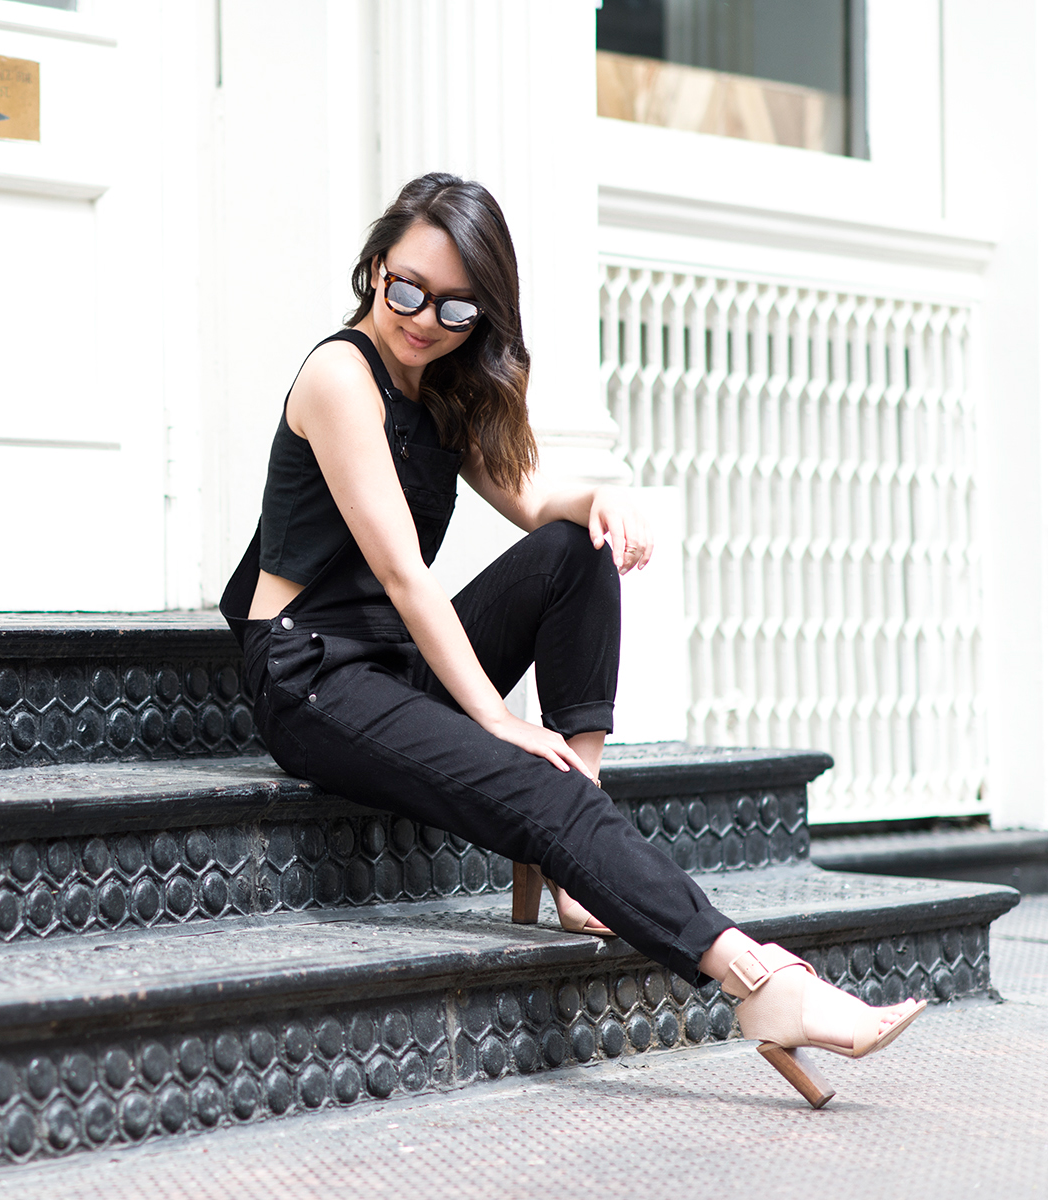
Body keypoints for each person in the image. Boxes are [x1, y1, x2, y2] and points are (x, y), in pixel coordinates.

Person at [218, 172, 922, 1108]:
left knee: (573, 551)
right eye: (406, 290)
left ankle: (571, 841)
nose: (424, 319)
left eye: (456, 306)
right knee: (528, 771)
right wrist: (497, 720)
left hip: (393, 661)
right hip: (310, 674)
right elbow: (404, 576)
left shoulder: (441, 393)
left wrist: (601, 501)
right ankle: (760, 983)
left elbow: (536, 503)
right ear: (375, 267)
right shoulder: (339, 374)